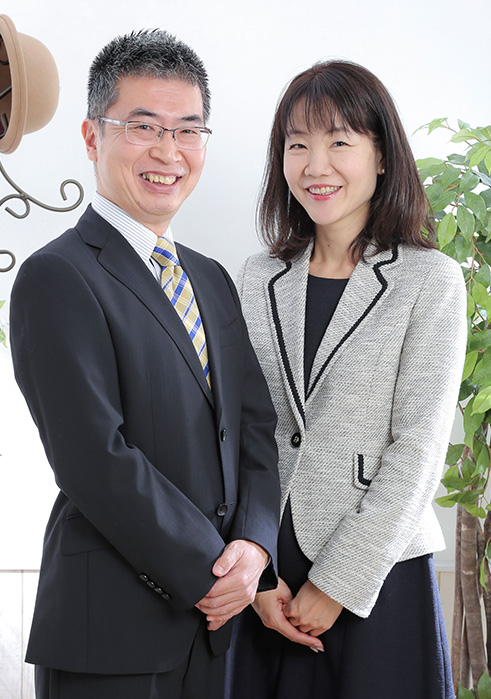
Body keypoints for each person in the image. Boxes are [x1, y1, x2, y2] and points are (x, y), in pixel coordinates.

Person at [10, 29, 280, 699]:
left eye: (188, 130)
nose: (168, 151)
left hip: (217, 630)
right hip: (111, 631)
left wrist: (255, 547)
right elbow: (94, 457)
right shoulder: (56, 275)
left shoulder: (210, 278)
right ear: (92, 136)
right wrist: (212, 572)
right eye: (144, 127)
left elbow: (253, 428)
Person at [226, 60, 467, 699]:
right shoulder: (257, 277)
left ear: (381, 155)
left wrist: (336, 583)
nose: (316, 165)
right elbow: (239, 429)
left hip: (374, 571)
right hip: (269, 571)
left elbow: (419, 451)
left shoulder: (430, 280)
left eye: (339, 141)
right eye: (297, 145)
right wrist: (259, 575)